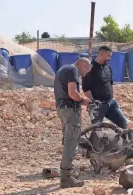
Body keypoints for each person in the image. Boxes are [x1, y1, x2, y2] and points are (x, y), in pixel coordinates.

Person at [54, 57, 92, 188]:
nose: (85, 74)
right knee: (71, 142)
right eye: (86, 70)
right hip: (70, 111)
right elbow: (72, 92)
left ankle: (68, 170)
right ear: (82, 64)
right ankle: (66, 177)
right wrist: (84, 100)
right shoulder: (73, 70)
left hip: (62, 109)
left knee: (67, 140)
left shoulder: (63, 69)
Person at [82, 46, 128, 130]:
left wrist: (112, 98)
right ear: (101, 54)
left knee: (123, 123)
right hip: (98, 106)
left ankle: (125, 142)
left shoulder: (108, 67)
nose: (110, 58)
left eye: (110, 56)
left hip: (110, 104)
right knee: (97, 130)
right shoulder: (90, 69)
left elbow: (110, 83)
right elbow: (85, 89)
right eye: (108, 56)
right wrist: (93, 102)